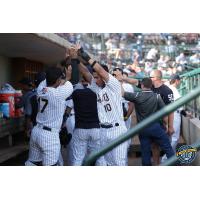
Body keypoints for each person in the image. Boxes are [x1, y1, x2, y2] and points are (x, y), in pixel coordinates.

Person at [75, 46, 129, 166]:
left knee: (119, 163)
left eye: (97, 77)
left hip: (117, 129)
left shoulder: (114, 85)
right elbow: (85, 72)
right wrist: (76, 59)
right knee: (108, 164)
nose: (94, 79)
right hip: (103, 131)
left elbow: (101, 71)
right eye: (94, 77)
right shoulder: (97, 87)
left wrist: (84, 54)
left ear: (104, 77)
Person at [25, 66, 73, 166]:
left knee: (33, 163)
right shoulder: (58, 93)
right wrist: (67, 77)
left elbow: (53, 82)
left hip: (36, 131)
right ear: (58, 80)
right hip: (49, 135)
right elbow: (68, 84)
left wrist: (61, 78)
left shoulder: (40, 89)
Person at [122, 78, 174, 166]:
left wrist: (119, 80)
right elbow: (165, 113)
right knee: (168, 148)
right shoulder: (157, 96)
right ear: (151, 86)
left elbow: (122, 93)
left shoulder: (137, 95)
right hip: (156, 127)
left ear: (142, 85)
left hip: (142, 128)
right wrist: (166, 125)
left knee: (145, 152)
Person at [150, 69, 174, 165]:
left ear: (155, 78)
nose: (149, 78)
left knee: (167, 147)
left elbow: (171, 110)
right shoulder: (149, 88)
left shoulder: (167, 90)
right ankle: (157, 166)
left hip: (164, 124)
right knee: (154, 146)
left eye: (151, 77)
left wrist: (170, 126)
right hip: (152, 123)